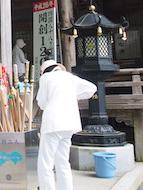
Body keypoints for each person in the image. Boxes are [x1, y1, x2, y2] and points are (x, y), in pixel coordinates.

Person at [36, 59, 97, 190]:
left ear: (43, 71)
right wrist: (73, 96)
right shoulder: (70, 77)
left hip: (53, 124)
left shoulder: (46, 78)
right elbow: (92, 88)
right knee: (62, 162)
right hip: (70, 123)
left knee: (46, 163)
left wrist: (53, 101)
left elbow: (41, 102)